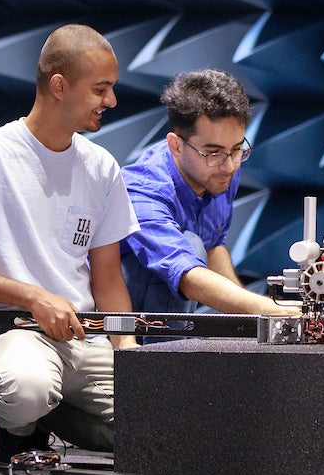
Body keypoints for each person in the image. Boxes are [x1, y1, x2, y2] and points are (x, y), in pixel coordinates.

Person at [0, 24, 140, 466]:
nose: (112, 101)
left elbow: (107, 278)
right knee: (27, 389)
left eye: (113, 88)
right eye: (101, 89)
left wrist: (129, 356)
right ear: (59, 85)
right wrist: (34, 297)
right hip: (13, 334)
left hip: (88, 339)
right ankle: (22, 426)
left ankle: (53, 415)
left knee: (166, 422)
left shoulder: (101, 167)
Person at [120, 69, 295, 318]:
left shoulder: (220, 173)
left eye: (237, 150)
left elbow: (213, 246)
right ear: (176, 145)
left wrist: (253, 316)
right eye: (213, 153)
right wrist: (277, 310)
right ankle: (162, 356)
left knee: (198, 244)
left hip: (171, 295)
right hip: (112, 317)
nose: (229, 166)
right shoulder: (144, 190)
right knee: (191, 244)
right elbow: (185, 274)